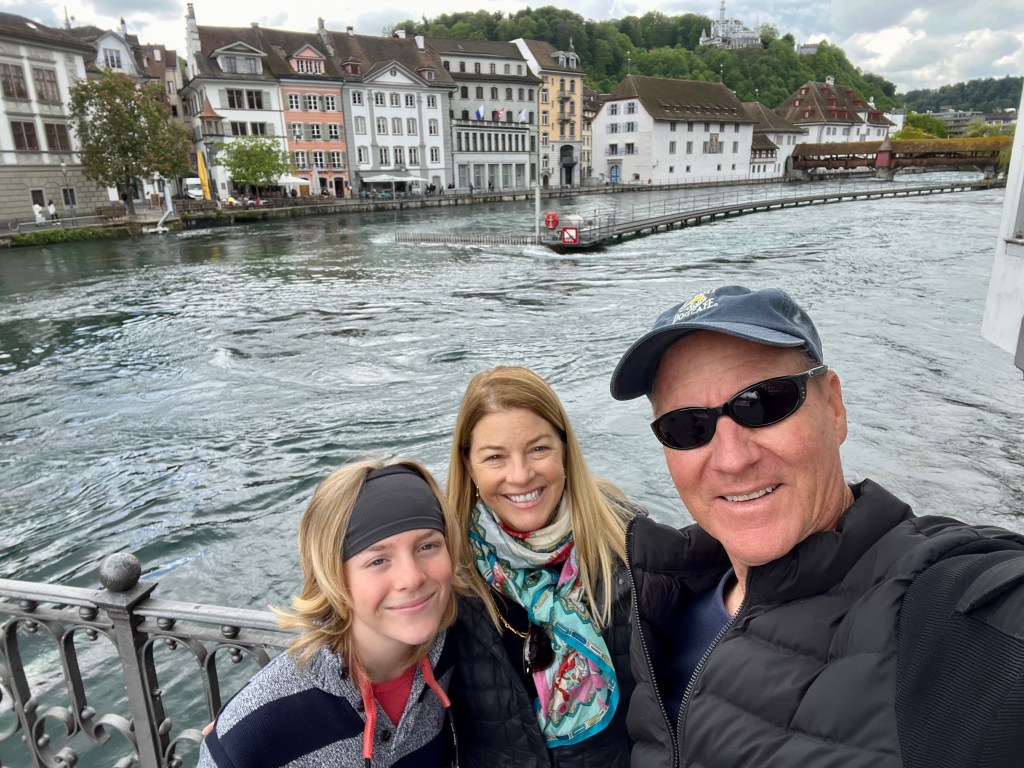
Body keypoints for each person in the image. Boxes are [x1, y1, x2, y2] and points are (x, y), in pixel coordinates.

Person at [608, 285, 1024, 768]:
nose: (732, 459)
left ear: (833, 407)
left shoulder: (935, 606)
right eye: (687, 427)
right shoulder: (656, 600)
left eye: (762, 404)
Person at [199, 459, 468, 767]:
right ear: (333, 577)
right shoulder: (252, 732)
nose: (413, 578)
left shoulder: (460, 645)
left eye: (427, 547)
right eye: (378, 561)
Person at [446, 366, 641, 767]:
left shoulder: (629, 545)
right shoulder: (447, 574)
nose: (520, 475)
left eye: (538, 449)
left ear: (565, 449)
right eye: (495, 457)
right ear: (468, 465)